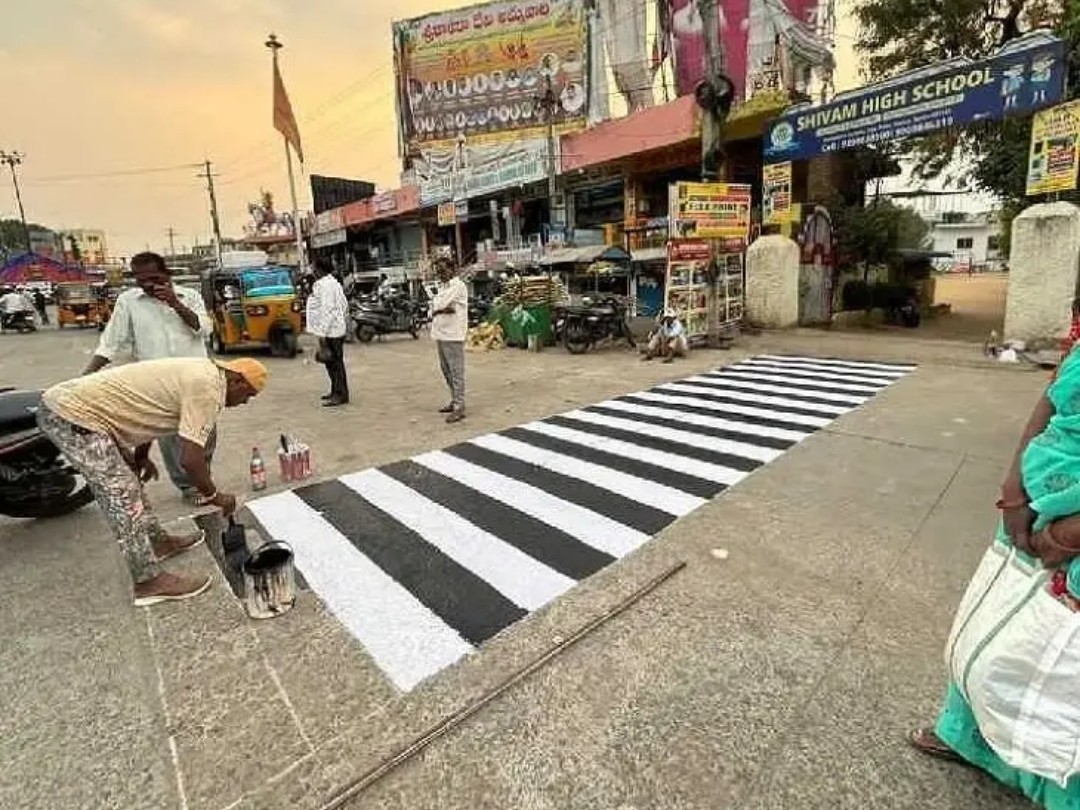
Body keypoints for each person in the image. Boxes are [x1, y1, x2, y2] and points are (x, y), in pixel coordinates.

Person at [909, 346, 1080, 808]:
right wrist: (1014, 486)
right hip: (1043, 497)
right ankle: (973, 738)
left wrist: (1066, 535)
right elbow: (1055, 393)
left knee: (1062, 670)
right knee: (997, 626)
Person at [37, 357, 267, 606]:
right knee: (123, 496)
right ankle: (147, 582)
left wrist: (141, 455)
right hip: (73, 416)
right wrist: (214, 496)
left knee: (128, 481)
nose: (245, 402)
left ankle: (158, 543)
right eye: (248, 395)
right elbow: (191, 460)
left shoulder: (206, 375)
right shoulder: (208, 388)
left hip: (85, 412)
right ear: (237, 381)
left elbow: (155, 412)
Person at [84, 252, 215, 502]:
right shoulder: (129, 302)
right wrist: (85, 377)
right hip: (158, 384)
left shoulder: (190, 296)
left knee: (204, 435)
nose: (147, 284)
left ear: (167, 274)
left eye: (154, 278)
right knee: (171, 438)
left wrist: (175, 303)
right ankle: (189, 487)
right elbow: (110, 344)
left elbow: (204, 329)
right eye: (140, 279)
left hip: (197, 379)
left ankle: (203, 479)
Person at [306, 259, 350, 407]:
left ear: (320, 270)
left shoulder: (324, 285)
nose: (313, 271)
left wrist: (323, 332)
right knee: (331, 363)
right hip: (335, 328)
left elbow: (328, 309)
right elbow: (344, 304)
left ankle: (340, 395)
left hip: (330, 331)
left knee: (335, 364)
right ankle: (335, 390)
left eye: (314, 268)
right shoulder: (334, 283)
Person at [430, 258, 468, 423]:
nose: (440, 274)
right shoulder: (444, 287)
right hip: (441, 334)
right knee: (446, 370)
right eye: (438, 271)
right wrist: (440, 309)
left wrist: (439, 308)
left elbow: (440, 303)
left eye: (443, 270)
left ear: (452, 269)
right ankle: (455, 400)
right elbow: (436, 307)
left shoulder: (457, 286)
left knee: (456, 372)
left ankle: (459, 406)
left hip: (453, 335)